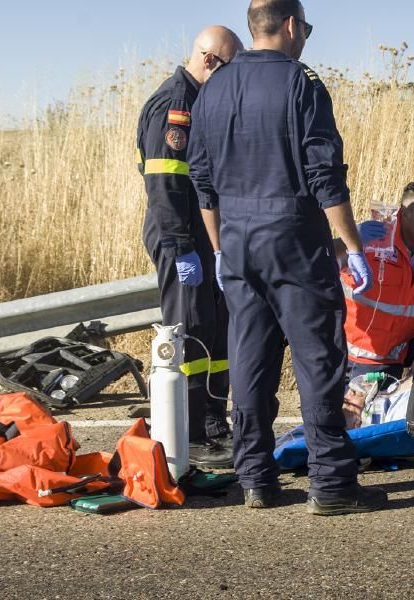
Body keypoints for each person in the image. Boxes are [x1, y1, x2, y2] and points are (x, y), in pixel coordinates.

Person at [187, 0, 387, 514]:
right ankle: (332, 484)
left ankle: (255, 478)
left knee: (250, 360)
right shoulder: (303, 83)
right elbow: (324, 175)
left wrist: (218, 249)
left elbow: (203, 184)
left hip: (236, 239)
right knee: (318, 359)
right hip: (293, 236)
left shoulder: (213, 88)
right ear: (292, 26)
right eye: (307, 28)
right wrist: (354, 246)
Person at [136, 26, 243, 469]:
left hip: (200, 237)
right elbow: (163, 183)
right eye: (231, 67)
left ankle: (213, 421)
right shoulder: (176, 104)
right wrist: (182, 248)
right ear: (211, 61)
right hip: (179, 235)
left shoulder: (198, 99)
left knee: (215, 324)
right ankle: (191, 430)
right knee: (192, 329)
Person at [334, 181, 414, 381]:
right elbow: (315, 259)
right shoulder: (374, 236)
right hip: (343, 351)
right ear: (405, 215)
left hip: (390, 359)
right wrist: (350, 240)